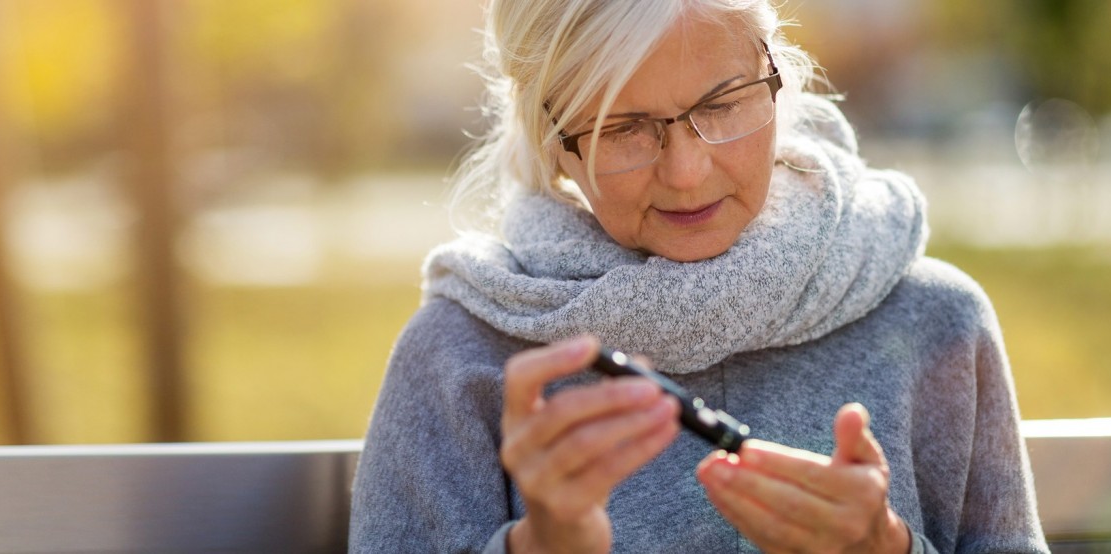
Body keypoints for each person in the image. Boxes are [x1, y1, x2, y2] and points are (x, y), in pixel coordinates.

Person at [350, 0, 1049, 552]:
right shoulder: (456, 359)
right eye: (623, 128)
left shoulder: (938, 323)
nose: (687, 173)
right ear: (552, 144)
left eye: (722, 104)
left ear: (778, 79)